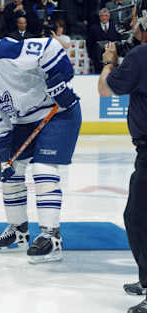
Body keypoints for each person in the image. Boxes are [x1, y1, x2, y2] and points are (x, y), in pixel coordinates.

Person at [0, 36, 81, 264]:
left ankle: (51, 236)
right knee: (11, 170)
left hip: (58, 113)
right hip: (24, 122)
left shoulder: (6, 51)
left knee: (42, 169)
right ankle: (19, 233)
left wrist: (59, 80)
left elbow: (50, 46)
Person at [98, 14, 147, 313]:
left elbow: (105, 89)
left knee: (139, 219)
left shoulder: (142, 55)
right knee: (135, 216)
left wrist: (109, 61)